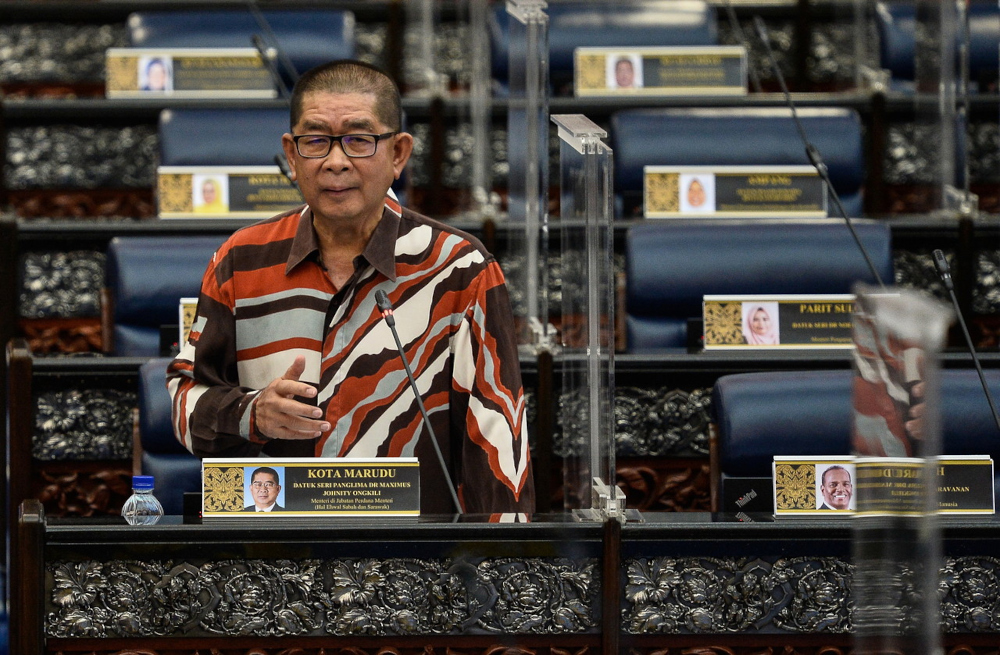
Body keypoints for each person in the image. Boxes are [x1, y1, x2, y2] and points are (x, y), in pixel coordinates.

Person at [167, 60, 534, 515]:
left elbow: (499, 442)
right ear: (292, 154)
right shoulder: (241, 260)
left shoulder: (458, 269)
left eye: (359, 141)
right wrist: (253, 414)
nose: (335, 162)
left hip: (415, 565)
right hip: (271, 559)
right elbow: (184, 404)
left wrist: (495, 567)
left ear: (398, 154)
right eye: (316, 141)